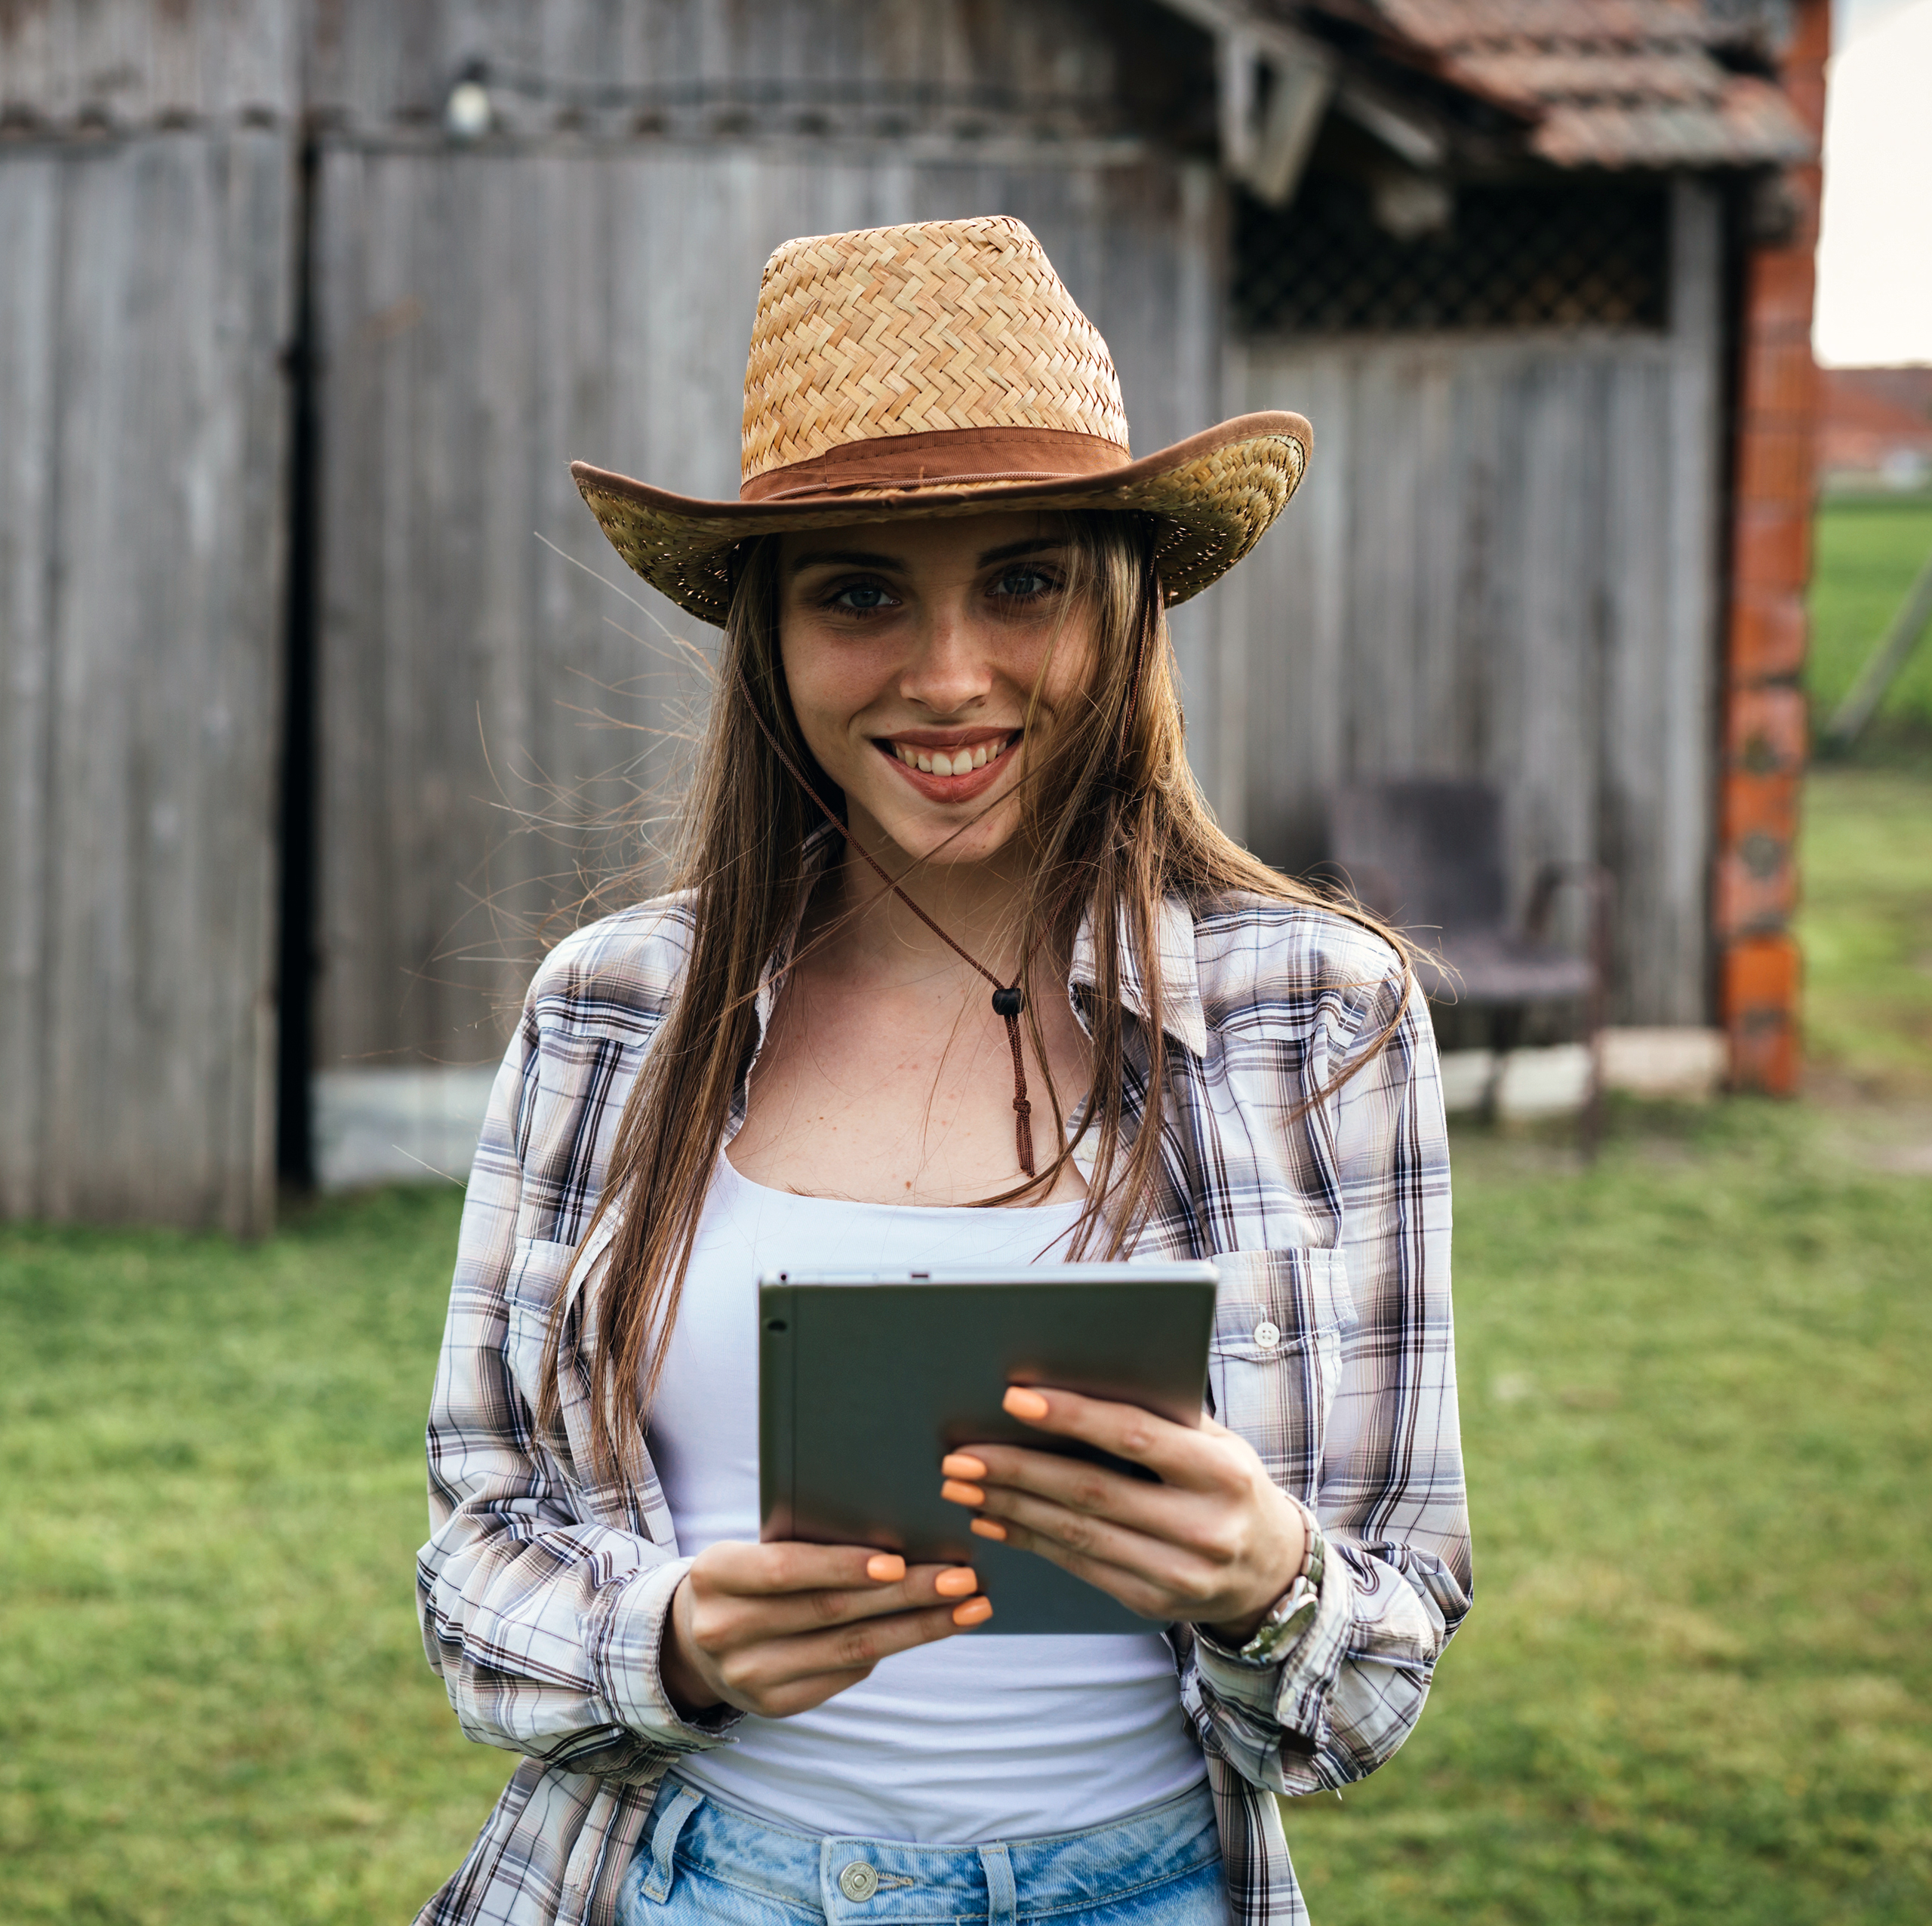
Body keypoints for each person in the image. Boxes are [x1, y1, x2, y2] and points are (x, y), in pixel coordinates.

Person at [415, 216, 1469, 1926]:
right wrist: (666, 1640)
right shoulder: (609, 1013)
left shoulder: (1320, 1017)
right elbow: (478, 1560)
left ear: (1120, 600)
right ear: (763, 629)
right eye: (858, 593)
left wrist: (1270, 1582)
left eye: (1026, 579)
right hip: (699, 1886)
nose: (951, 672)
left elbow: (1370, 1676)